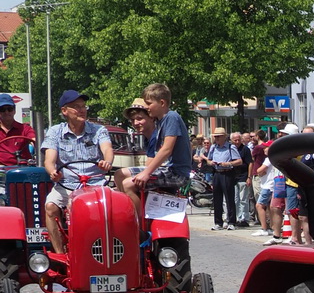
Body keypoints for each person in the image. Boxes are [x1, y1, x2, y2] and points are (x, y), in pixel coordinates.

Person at [39, 91, 114, 254]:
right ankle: (60, 254)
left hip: (95, 185)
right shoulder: (55, 132)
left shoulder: (99, 130)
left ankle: (105, 250)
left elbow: (107, 149)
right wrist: (53, 172)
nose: (82, 110)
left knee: (114, 209)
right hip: (66, 185)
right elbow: (49, 160)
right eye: (76, 107)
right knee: (50, 206)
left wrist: (107, 162)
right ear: (64, 111)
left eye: (83, 106)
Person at [121, 83, 194, 219]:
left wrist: (146, 173)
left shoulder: (171, 117)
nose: (146, 107)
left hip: (176, 173)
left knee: (128, 184)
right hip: (169, 170)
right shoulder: (161, 121)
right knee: (120, 174)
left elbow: (166, 149)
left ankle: (138, 224)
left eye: (149, 103)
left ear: (162, 103)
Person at [205, 127, 247, 230]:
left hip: (227, 173)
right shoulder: (213, 147)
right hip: (217, 173)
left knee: (229, 198)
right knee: (217, 199)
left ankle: (231, 221)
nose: (216, 138)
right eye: (215, 137)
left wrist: (227, 163)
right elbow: (209, 160)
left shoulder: (230, 147)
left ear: (224, 137)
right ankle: (218, 222)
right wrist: (211, 163)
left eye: (218, 136)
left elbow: (239, 161)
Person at [0, 94, 37, 165]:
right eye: (2, 109)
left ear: (14, 111)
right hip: (2, 170)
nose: (6, 112)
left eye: (9, 109)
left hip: (23, 169)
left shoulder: (25, 129)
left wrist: (35, 143)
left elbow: (34, 140)